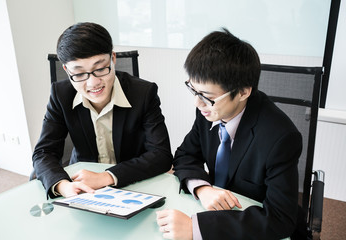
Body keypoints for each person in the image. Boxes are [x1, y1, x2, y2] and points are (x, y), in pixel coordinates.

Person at [156, 28, 303, 240]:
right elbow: (185, 155)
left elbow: (280, 219)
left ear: (243, 91)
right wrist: (202, 188)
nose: (197, 103)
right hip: (213, 210)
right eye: (194, 91)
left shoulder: (281, 138)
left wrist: (196, 228)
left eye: (206, 95)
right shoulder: (209, 109)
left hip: (253, 227)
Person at [32, 22, 173, 199]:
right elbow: (43, 152)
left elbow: (161, 155)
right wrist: (61, 185)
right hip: (82, 185)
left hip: (132, 181)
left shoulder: (143, 93)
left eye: (100, 68)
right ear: (66, 70)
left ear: (113, 59)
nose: (93, 83)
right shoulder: (61, 95)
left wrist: (106, 177)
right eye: (79, 73)